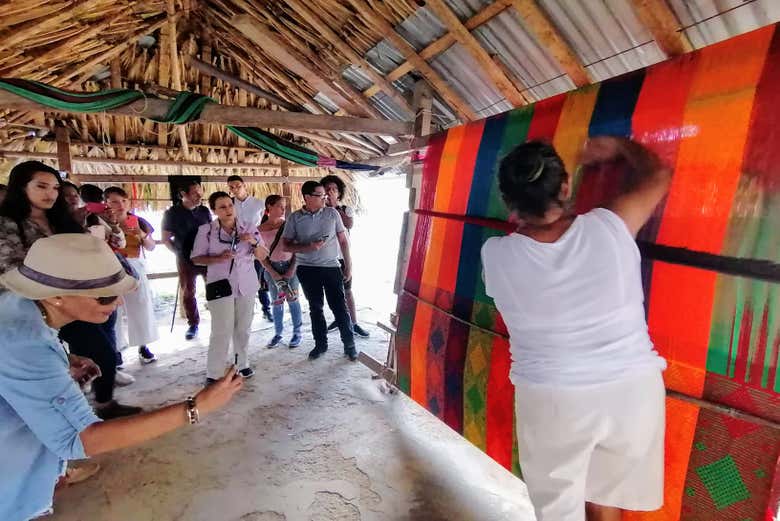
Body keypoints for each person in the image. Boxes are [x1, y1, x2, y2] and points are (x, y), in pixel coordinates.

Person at [480, 137, 671, 521]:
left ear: (508, 201)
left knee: (561, 511)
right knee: (606, 502)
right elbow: (659, 173)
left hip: (554, 401)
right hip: (631, 391)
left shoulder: (497, 254)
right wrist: (618, 146)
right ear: (565, 188)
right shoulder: (610, 226)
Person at [0, 234, 243, 521]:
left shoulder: (18, 305)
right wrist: (195, 408)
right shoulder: (27, 345)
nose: (117, 303)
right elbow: (83, 439)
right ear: (55, 295)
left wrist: (63, 360)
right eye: (105, 296)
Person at [0, 161, 139, 418]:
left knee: (103, 352)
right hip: (34, 308)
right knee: (55, 362)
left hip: (76, 302)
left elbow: (97, 251)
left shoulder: (63, 220)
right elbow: (10, 268)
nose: (50, 193)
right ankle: (71, 417)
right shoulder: (8, 223)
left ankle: (103, 403)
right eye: (41, 186)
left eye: (54, 187)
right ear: (21, 187)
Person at [191, 192, 270, 384]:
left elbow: (262, 255)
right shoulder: (206, 230)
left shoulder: (249, 228)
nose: (228, 210)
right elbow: (196, 257)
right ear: (214, 210)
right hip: (220, 285)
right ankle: (215, 372)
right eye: (222, 207)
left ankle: (241, 364)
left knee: (243, 328)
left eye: (230, 205)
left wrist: (253, 241)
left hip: (247, 284)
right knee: (221, 329)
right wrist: (218, 258)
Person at [281, 181, 357, 361]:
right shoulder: (295, 218)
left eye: (325, 195)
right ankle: (320, 345)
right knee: (316, 308)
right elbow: (286, 245)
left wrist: (348, 265)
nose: (325, 198)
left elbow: (343, 241)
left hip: (331, 267)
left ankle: (350, 345)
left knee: (339, 307)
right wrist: (309, 247)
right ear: (307, 197)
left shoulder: (332, 214)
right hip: (307, 270)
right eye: (320, 195)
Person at [105, 186, 159, 364]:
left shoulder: (138, 221)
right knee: (115, 309)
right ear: (106, 204)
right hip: (110, 267)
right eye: (114, 201)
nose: (120, 205)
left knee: (141, 306)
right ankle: (117, 349)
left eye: (123, 201)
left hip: (135, 264)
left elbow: (151, 247)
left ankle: (143, 345)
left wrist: (141, 235)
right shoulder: (101, 222)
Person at [161, 179, 212, 340]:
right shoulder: (171, 214)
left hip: (206, 257)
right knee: (189, 292)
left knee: (214, 287)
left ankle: (219, 318)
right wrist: (179, 254)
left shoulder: (204, 211)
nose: (199, 195)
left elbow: (212, 232)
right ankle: (193, 324)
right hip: (185, 259)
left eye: (200, 191)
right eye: (195, 192)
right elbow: (166, 239)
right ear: (184, 194)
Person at [321, 175, 370, 338]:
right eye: (327, 189)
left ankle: (354, 323)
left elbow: (348, 224)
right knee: (333, 292)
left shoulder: (345, 210)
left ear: (339, 192)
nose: (330, 192)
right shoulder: (319, 211)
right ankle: (340, 319)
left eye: (334, 189)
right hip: (326, 257)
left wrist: (334, 205)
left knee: (347, 291)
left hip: (342, 257)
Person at [258, 195, 303, 348]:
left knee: (293, 298)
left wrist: (292, 269)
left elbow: (297, 249)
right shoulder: (259, 230)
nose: (283, 209)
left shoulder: (288, 225)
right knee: (277, 301)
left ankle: (297, 333)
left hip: (290, 266)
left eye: (284, 206)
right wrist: (272, 271)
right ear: (269, 207)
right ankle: (278, 333)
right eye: (279, 206)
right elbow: (260, 255)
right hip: (272, 267)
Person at [227, 174, 273, 322]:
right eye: (232, 187)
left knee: (258, 277)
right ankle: (245, 312)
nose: (235, 189)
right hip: (237, 246)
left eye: (238, 186)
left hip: (256, 243)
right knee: (239, 278)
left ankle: (266, 308)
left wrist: (256, 238)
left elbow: (265, 223)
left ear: (244, 185)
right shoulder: (230, 205)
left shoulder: (259, 203)